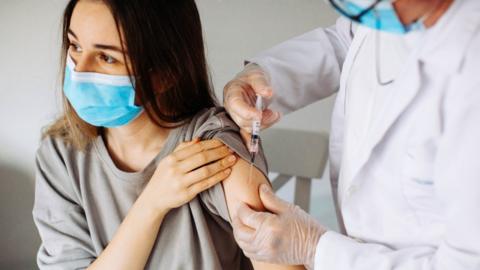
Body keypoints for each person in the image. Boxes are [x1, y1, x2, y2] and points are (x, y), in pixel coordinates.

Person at [32, 0, 305, 269]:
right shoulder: (60, 155)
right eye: (76, 46)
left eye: (107, 57)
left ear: (166, 72)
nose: (79, 69)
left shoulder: (212, 146)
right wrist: (151, 204)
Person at [224, 0, 480, 269]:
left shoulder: (469, 77)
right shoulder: (391, 13)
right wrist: (264, 77)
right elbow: (348, 40)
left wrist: (314, 248)